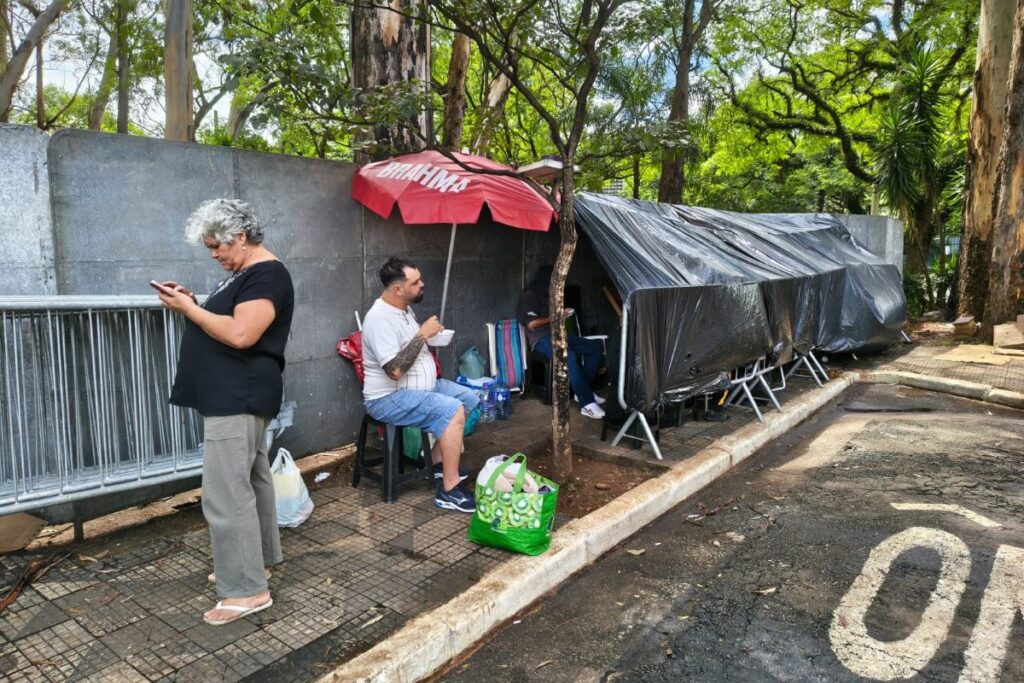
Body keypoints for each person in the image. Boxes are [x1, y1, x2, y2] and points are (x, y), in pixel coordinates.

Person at [158, 198, 294, 627]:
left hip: (238, 396)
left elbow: (241, 334)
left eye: (216, 245)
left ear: (240, 236)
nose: (213, 254)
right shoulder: (246, 274)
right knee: (252, 479)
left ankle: (246, 590)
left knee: (225, 491)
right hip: (240, 395)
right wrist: (194, 300)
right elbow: (228, 320)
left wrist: (190, 310)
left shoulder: (265, 274)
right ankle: (259, 563)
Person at [361, 257, 479, 513]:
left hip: (420, 389)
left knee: (470, 400)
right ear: (398, 289)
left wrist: (431, 337)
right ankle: (449, 490)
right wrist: (422, 334)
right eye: (416, 282)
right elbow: (394, 370)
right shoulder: (378, 319)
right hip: (388, 398)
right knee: (451, 410)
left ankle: (436, 462)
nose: (423, 284)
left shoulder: (405, 309)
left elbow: (411, 349)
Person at [517, 265, 606, 419]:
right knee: (568, 355)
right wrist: (557, 316)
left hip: (559, 335)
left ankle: (582, 391)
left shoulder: (548, 295)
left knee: (595, 347)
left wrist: (563, 315)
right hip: (541, 341)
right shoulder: (530, 296)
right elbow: (531, 324)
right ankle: (586, 403)